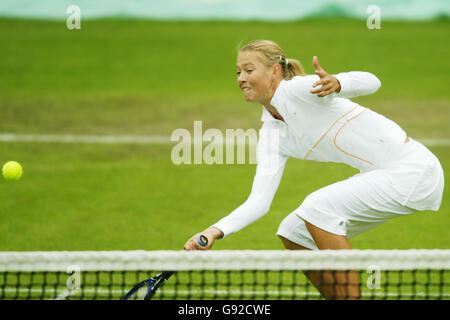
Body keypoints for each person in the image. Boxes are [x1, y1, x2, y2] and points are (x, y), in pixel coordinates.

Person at [183, 40, 444, 299]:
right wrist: (213, 230)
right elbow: (259, 202)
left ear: (275, 71)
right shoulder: (272, 135)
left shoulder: (300, 89)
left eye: (249, 70)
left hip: (414, 171)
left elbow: (372, 80)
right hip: (387, 176)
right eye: (238, 72)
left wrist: (339, 83)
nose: (241, 78)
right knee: (293, 231)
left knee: (318, 207)